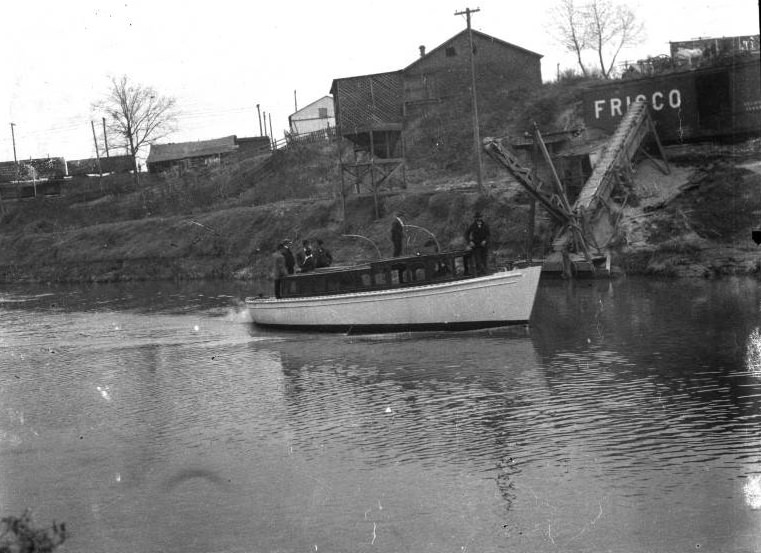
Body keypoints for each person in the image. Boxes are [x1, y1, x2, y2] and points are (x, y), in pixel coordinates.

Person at [464, 211, 491, 276]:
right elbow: (466, 234)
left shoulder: (485, 225)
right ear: (475, 219)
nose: (479, 219)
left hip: (484, 245)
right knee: (478, 260)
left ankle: (485, 273)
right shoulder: (472, 226)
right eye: (477, 218)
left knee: (484, 259)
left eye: (480, 217)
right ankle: (483, 272)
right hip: (476, 245)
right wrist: (470, 242)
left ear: (481, 218)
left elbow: (488, 235)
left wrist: (485, 240)